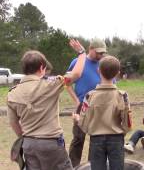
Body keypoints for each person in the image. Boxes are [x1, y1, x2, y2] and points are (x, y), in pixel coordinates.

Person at [7, 49, 86, 170]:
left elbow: (13, 122)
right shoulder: (51, 84)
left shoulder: (12, 93)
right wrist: (82, 53)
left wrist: (26, 136)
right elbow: (76, 74)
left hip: (29, 144)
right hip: (51, 143)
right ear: (41, 68)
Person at [73, 55, 132, 170]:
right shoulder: (122, 96)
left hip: (96, 140)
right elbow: (127, 124)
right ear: (117, 73)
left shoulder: (89, 96)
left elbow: (84, 124)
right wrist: (121, 132)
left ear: (98, 71)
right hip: (116, 140)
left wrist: (77, 119)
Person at [67, 38, 107, 167]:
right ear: (91, 49)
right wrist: (77, 101)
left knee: (96, 140)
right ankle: (73, 166)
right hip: (82, 107)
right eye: (98, 53)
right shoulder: (78, 62)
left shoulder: (104, 64)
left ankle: (92, 166)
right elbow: (67, 84)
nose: (101, 56)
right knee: (78, 139)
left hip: (99, 107)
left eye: (103, 53)